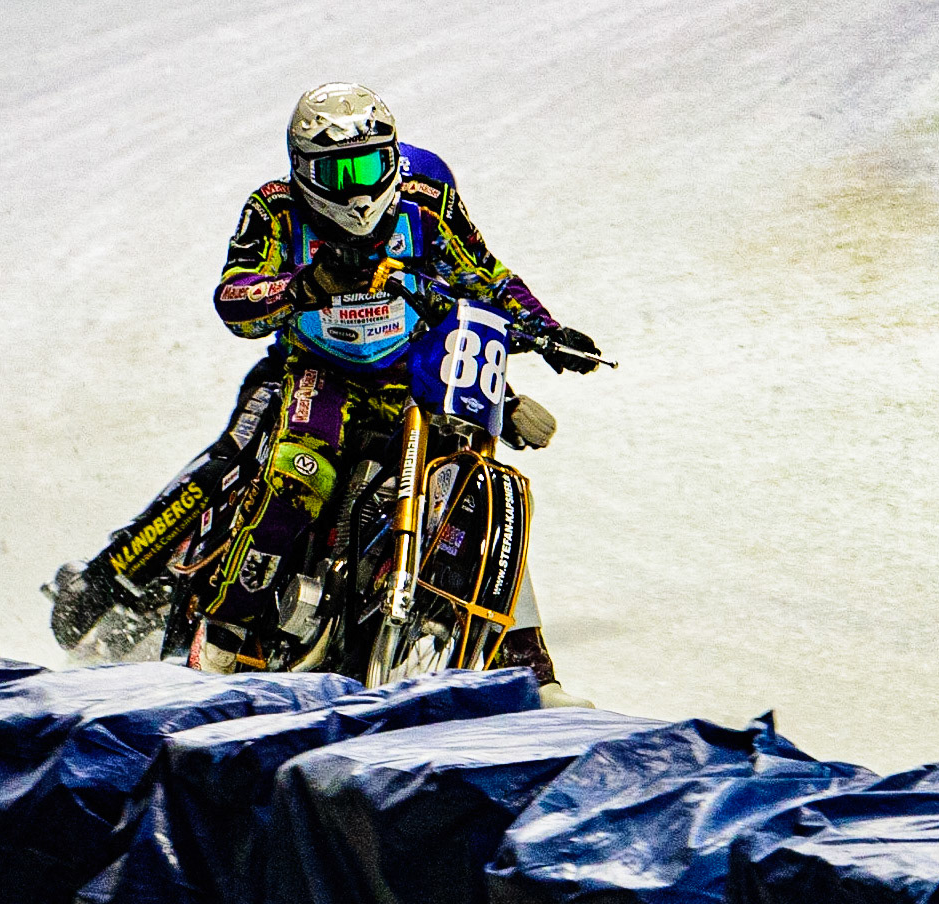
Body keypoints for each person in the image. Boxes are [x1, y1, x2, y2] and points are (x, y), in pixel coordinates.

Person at [49, 83, 600, 705]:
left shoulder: (427, 190)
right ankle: (198, 631)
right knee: (282, 471)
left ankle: (534, 671)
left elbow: (482, 271)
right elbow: (233, 301)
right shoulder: (273, 209)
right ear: (300, 169)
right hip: (313, 369)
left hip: (411, 367)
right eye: (335, 171)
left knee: (476, 488)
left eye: (368, 165)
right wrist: (304, 286)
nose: (356, 188)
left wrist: (549, 332)